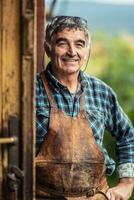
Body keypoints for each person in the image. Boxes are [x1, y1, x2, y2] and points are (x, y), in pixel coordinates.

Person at [36, 16, 134, 200]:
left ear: (87, 50)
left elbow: (127, 135)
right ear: (48, 48)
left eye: (79, 44)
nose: (72, 52)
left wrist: (127, 183)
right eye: (62, 43)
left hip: (95, 196)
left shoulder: (101, 92)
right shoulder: (29, 91)